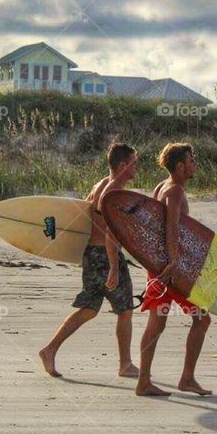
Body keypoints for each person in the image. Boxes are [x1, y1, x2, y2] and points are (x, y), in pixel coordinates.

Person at [38, 143, 140, 379]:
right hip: (106, 255)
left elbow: (85, 218)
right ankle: (125, 365)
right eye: (134, 163)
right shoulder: (115, 192)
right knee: (125, 310)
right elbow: (110, 233)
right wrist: (114, 267)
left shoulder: (99, 185)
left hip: (91, 254)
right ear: (123, 166)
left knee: (89, 309)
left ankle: (50, 349)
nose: (137, 167)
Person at [134, 142, 212, 397]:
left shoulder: (160, 186)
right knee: (202, 318)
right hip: (172, 268)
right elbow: (170, 226)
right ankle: (187, 379)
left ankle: (144, 382)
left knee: (156, 323)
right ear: (180, 166)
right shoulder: (175, 191)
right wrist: (175, 262)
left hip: (158, 265)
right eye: (192, 160)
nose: (195, 164)